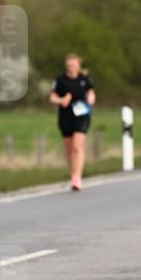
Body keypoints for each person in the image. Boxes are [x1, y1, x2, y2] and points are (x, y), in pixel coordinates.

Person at [48, 54, 96, 190]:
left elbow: (91, 93)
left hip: (82, 115)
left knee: (77, 146)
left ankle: (77, 177)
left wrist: (91, 101)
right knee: (69, 149)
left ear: (78, 66)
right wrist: (61, 100)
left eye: (73, 65)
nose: (71, 67)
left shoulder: (85, 80)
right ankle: (73, 174)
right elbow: (52, 97)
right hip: (66, 116)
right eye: (69, 65)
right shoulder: (60, 80)